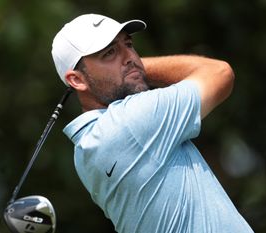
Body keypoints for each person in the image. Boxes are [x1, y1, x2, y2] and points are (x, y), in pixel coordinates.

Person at [51, 13, 254, 233]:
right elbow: (220, 73)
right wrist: (137, 67)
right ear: (77, 80)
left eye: (128, 45)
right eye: (109, 53)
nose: (130, 56)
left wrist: (126, 68)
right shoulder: (130, 121)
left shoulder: (84, 151)